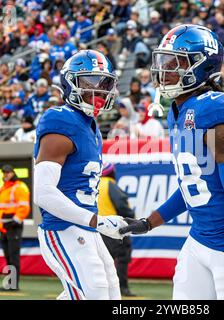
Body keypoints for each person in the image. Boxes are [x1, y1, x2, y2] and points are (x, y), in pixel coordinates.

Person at [120, 25, 224, 300]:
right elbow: (194, 185)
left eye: (175, 63)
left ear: (201, 66)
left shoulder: (216, 107)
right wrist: (149, 222)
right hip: (198, 240)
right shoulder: (176, 111)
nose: (164, 70)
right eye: (164, 61)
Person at [33, 50, 129, 300]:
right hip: (62, 228)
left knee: (110, 292)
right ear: (70, 83)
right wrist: (96, 221)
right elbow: (43, 193)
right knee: (95, 292)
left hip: (85, 228)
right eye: (91, 82)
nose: (99, 90)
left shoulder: (92, 128)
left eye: (104, 83)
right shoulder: (60, 120)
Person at [98, 163, 136, 297]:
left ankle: (100, 288)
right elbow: (122, 204)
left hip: (97, 228)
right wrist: (130, 219)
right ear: (111, 172)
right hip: (114, 229)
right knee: (122, 257)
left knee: (101, 261)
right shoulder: (110, 184)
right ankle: (122, 288)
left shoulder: (94, 185)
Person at [0, 164, 30, 290]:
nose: (6, 174)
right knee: (8, 257)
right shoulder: (4, 188)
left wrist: (14, 222)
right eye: (4, 172)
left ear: (13, 173)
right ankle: (10, 284)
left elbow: (24, 207)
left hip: (14, 227)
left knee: (13, 256)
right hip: (4, 227)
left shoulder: (20, 187)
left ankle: (14, 285)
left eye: (8, 172)